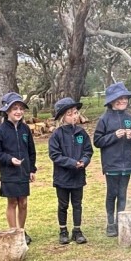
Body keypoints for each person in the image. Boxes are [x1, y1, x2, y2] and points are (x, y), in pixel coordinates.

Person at [93, 82, 131, 237]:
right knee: (112, 193)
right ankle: (110, 222)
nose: (122, 101)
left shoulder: (130, 119)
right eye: (118, 98)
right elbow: (97, 141)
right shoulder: (104, 119)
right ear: (111, 101)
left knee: (122, 193)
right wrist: (114, 136)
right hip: (111, 164)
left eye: (125, 98)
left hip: (127, 163)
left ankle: (121, 220)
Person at [0, 92, 37, 242]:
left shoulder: (25, 129)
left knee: (23, 202)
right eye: (14, 108)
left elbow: (31, 151)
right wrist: (10, 159)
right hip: (8, 173)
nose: (18, 111)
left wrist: (32, 169)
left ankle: (22, 231)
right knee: (12, 202)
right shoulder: (0, 131)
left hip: (23, 172)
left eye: (21, 108)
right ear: (7, 111)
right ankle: (13, 232)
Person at [48, 97, 92, 245]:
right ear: (62, 117)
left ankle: (77, 230)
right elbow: (55, 155)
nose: (74, 116)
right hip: (62, 177)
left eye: (75, 112)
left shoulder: (82, 133)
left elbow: (88, 151)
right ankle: (63, 230)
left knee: (77, 204)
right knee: (63, 205)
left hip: (78, 176)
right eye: (69, 113)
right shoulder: (56, 135)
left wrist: (84, 162)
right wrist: (73, 163)